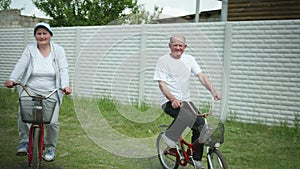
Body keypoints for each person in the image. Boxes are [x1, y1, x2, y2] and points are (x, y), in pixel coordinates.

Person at [5, 22, 72, 162]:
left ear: (50, 35)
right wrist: (12, 79)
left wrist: (65, 85)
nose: (42, 36)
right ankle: (24, 141)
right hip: (30, 88)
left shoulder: (58, 50)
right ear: (35, 36)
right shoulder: (30, 49)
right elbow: (21, 64)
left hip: (51, 90)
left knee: (52, 122)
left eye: (44, 33)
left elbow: (63, 69)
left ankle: (50, 147)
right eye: (39, 34)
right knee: (23, 114)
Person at [153, 35, 221, 169]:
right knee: (185, 116)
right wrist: (172, 99)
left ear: (185, 47)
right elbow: (162, 84)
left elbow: (201, 76)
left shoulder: (190, 59)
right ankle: (169, 136)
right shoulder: (163, 61)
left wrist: (213, 91)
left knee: (201, 126)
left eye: (181, 45)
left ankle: (196, 159)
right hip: (168, 100)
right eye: (175, 45)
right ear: (170, 46)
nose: (178, 48)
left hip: (186, 100)